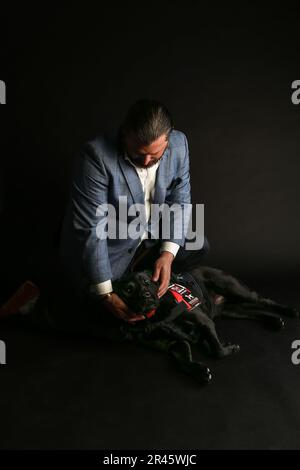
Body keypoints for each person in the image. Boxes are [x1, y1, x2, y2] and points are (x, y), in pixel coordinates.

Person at [59, 99, 210, 329]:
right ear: (125, 133)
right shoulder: (95, 156)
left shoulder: (179, 145)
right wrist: (106, 294)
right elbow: (91, 228)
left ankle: (144, 277)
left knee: (197, 245)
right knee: (99, 314)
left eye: (155, 156)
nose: (147, 162)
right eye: (139, 155)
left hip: (148, 235)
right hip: (110, 244)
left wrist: (167, 255)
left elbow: (180, 201)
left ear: (168, 140)